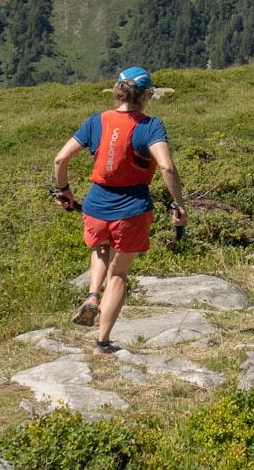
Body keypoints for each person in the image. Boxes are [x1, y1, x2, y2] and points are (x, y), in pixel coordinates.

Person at [51, 66, 187, 354]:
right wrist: (179, 203)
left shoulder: (96, 121)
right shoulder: (151, 126)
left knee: (101, 245)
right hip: (132, 208)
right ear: (147, 95)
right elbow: (166, 166)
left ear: (118, 92)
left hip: (96, 205)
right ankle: (102, 342)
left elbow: (60, 159)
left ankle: (91, 296)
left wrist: (64, 191)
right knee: (119, 275)